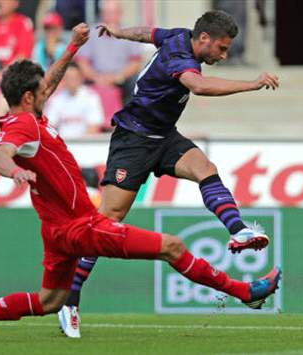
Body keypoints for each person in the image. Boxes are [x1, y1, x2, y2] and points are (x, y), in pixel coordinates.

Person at [0, 23, 281, 342]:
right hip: (81, 226)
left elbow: (53, 80)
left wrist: (74, 46)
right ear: (29, 97)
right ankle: (244, 291)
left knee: (48, 301)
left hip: (56, 231)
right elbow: (0, 154)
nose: (48, 88)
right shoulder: (23, 126)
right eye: (40, 88)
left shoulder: (30, 113)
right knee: (171, 246)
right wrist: (13, 170)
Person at [57, 10, 280, 338]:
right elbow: (199, 86)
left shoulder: (177, 34)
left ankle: (239, 231)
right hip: (133, 139)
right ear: (203, 39)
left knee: (206, 169)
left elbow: (148, 32)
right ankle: (68, 299)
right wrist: (252, 83)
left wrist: (119, 33)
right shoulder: (180, 58)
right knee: (106, 220)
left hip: (164, 136)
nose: (223, 54)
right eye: (220, 48)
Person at [77, 0, 142, 102]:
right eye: (107, 13)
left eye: (113, 13)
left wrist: (118, 77)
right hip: (95, 78)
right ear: (102, 14)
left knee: (136, 83)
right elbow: (82, 62)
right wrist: (96, 78)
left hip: (121, 78)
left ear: (120, 14)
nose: (110, 16)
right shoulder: (91, 33)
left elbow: (135, 63)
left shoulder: (130, 32)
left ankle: (130, 116)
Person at [45, 62, 104, 138]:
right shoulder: (56, 99)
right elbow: (50, 127)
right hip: (62, 144)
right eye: (69, 77)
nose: (72, 80)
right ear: (64, 79)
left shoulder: (91, 97)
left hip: (86, 143)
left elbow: (94, 126)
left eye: (74, 77)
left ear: (81, 77)